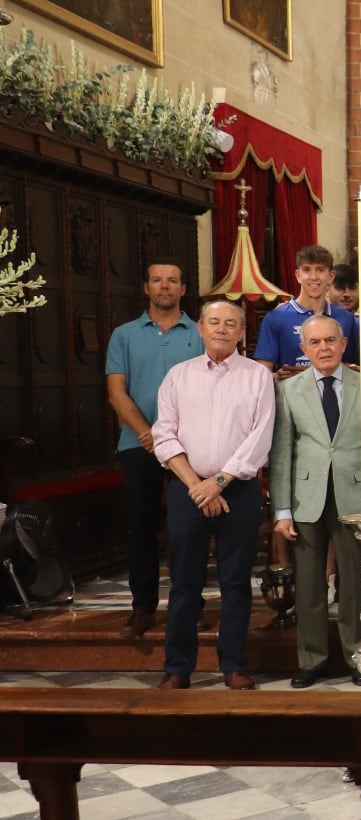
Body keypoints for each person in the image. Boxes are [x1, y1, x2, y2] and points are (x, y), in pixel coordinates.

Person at [149, 300, 275, 690]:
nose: (222, 328)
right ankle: (178, 667)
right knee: (184, 583)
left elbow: (261, 437)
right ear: (200, 328)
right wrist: (197, 486)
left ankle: (234, 664)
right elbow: (164, 436)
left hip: (238, 490)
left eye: (231, 323)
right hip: (189, 489)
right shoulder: (178, 376)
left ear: (241, 333)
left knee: (236, 582)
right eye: (214, 322)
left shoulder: (257, 376)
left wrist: (219, 481)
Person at [271, 316, 361, 687]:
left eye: (330, 340)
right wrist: (281, 509)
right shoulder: (289, 390)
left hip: (355, 496)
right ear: (304, 349)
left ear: (343, 345)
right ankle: (311, 659)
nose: (323, 348)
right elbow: (281, 454)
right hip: (306, 496)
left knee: (356, 580)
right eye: (315, 342)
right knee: (308, 583)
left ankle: (359, 654)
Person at [105, 260, 204, 639]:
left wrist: (171, 439)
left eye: (173, 281)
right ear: (146, 287)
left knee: (186, 530)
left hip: (189, 448)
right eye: (158, 281)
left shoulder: (198, 333)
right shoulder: (124, 335)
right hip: (138, 444)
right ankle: (143, 606)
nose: (165, 287)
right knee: (141, 528)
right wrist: (150, 434)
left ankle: (188, 606)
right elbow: (117, 392)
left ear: (182, 289)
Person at [254, 246, 357, 370]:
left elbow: (352, 367)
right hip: (291, 389)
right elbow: (263, 372)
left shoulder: (346, 318)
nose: (313, 277)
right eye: (307, 270)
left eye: (320, 270)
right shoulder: (276, 318)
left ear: (331, 276)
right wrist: (278, 378)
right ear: (298, 275)